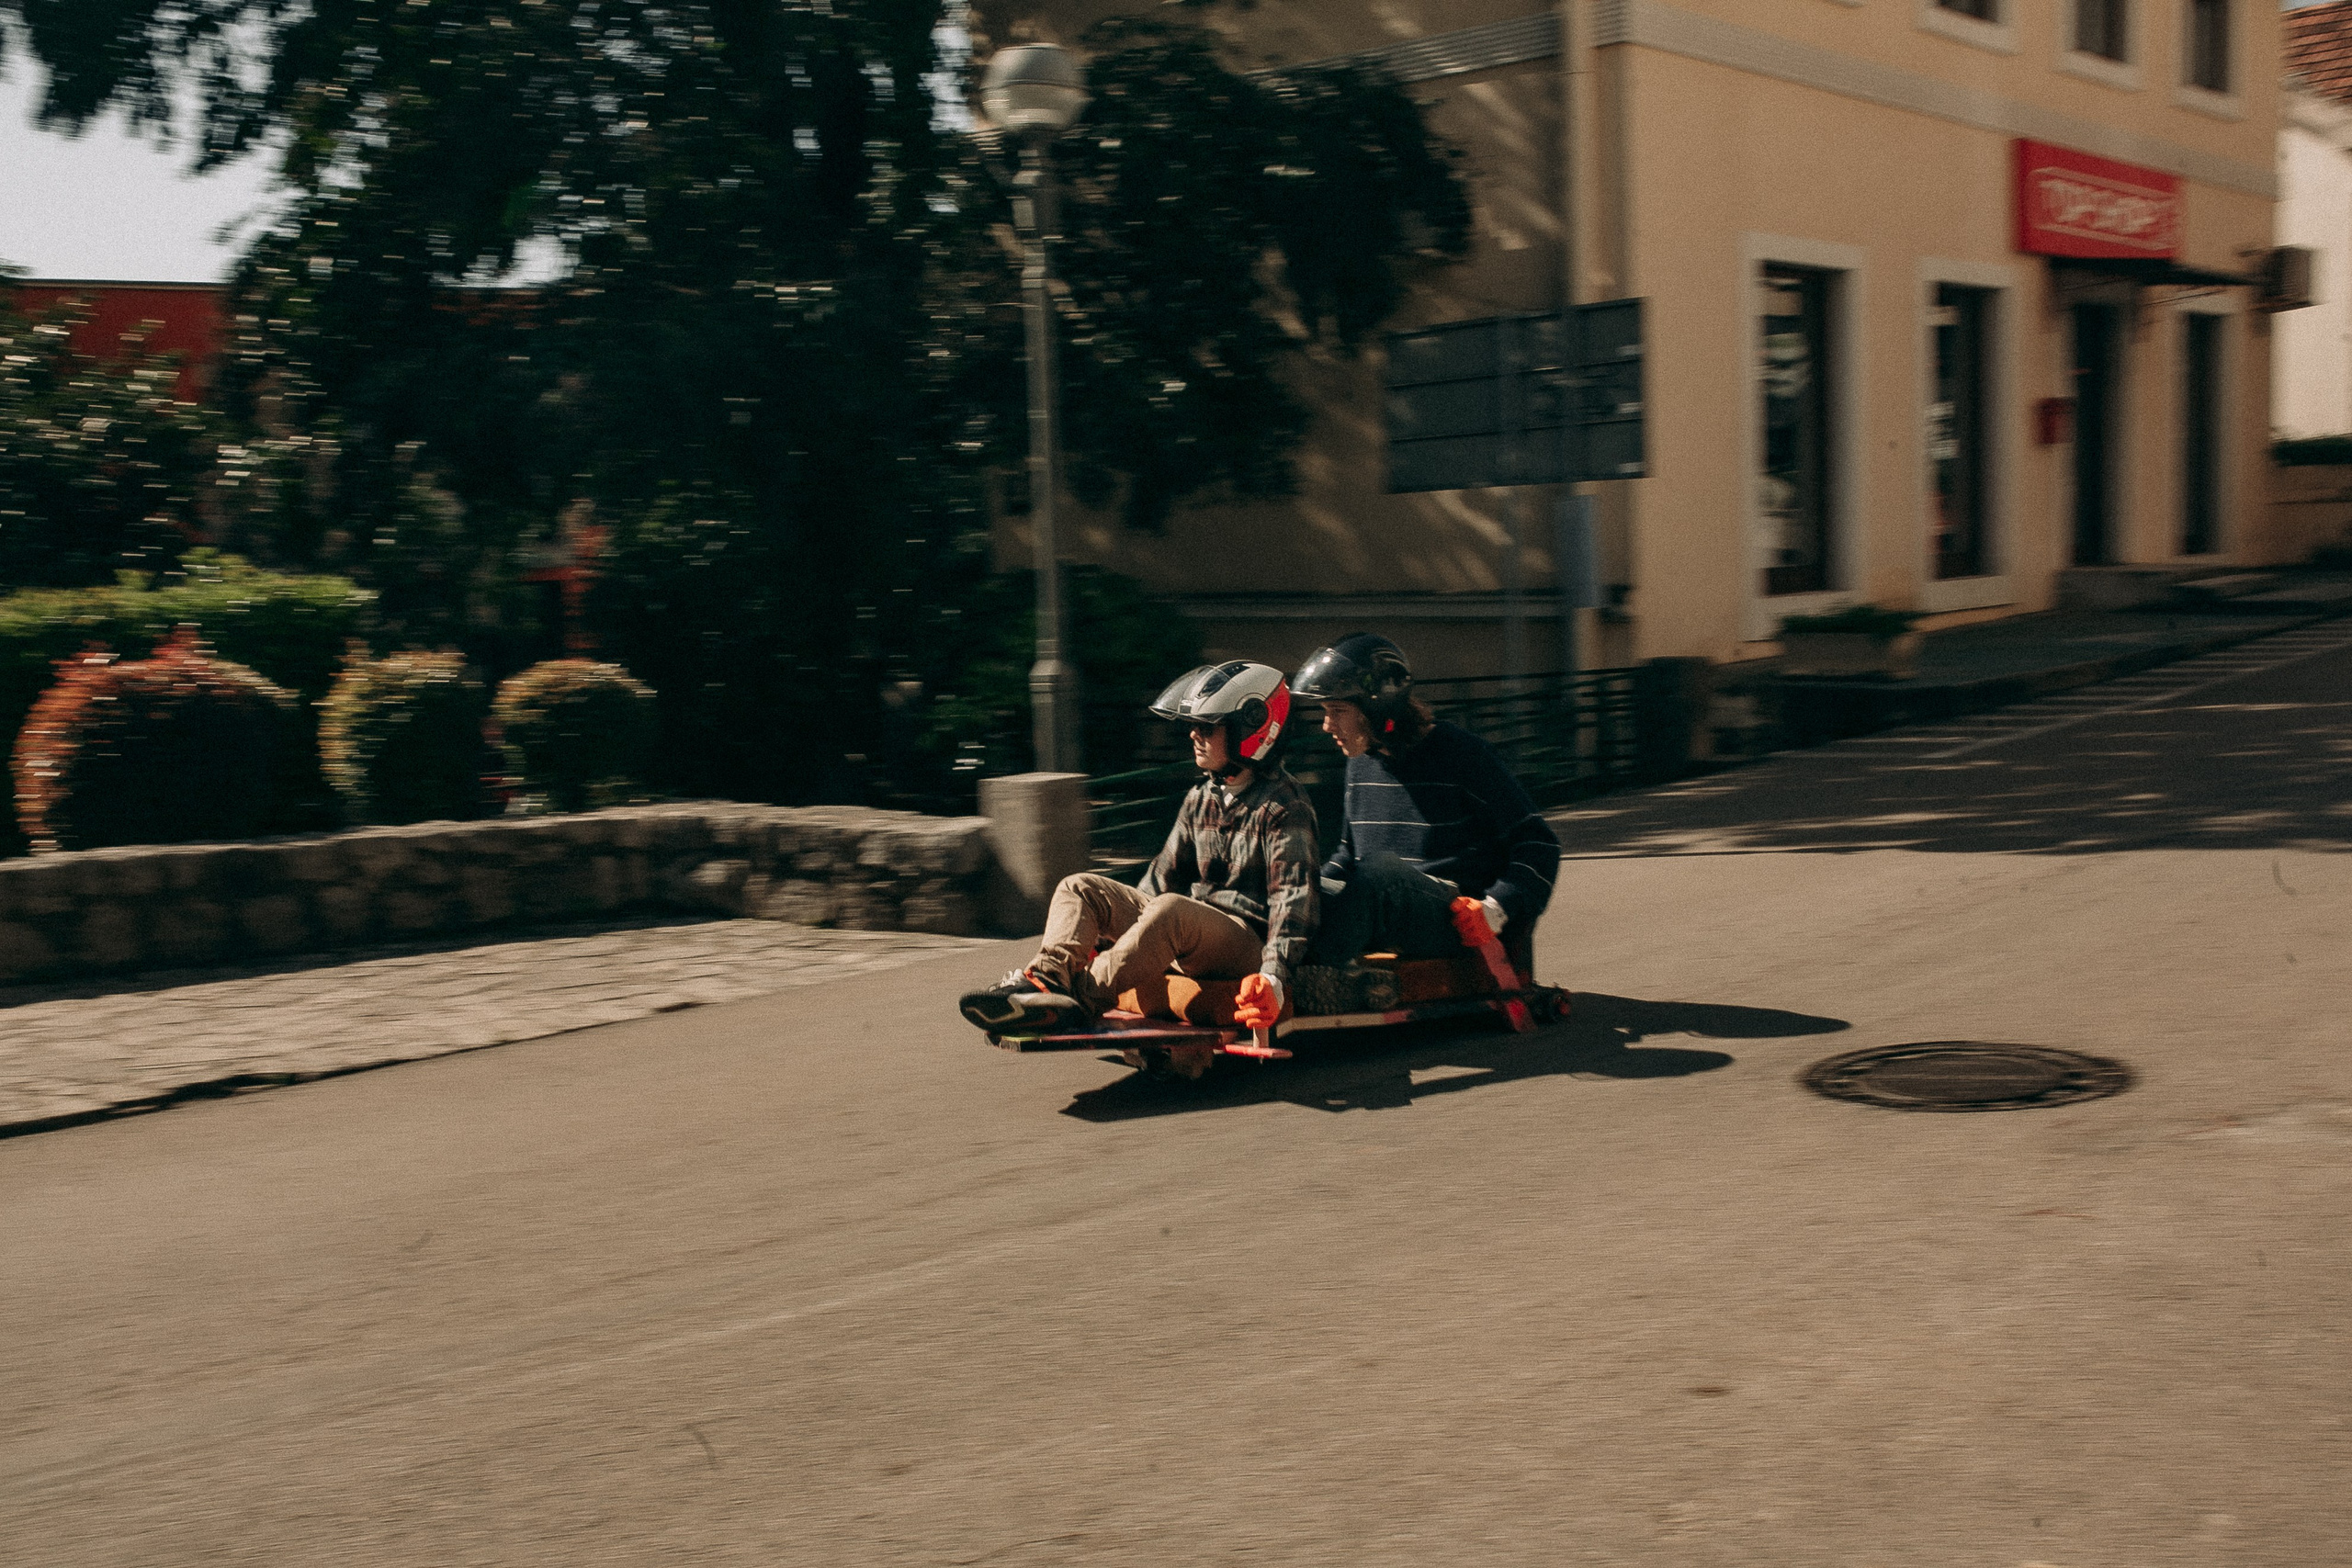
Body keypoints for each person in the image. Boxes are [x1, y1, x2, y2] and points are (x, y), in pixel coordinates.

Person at [958, 660, 1319, 1036]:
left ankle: (1077, 1000)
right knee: (1079, 886)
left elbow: (1293, 903)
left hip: (1245, 942)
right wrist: (1109, 934)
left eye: (1207, 726)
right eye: (1193, 725)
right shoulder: (1200, 797)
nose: (1193, 735)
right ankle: (1045, 981)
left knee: (1170, 911)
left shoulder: (1285, 806)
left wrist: (1274, 975)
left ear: (1251, 727)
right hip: (1190, 926)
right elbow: (1158, 880)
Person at [1291, 633, 1560, 965]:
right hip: (1383, 906)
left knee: (1379, 872)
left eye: (1337, 710)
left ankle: (1304, 977)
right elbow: (1348, 855)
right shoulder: (1360, 761)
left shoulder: (1461, 754)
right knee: (1293, 887)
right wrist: (1306, 887)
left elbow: (1539, 843)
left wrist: (1496, 907)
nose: (1327, 725)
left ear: (1377, 706)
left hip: (1453, 920)